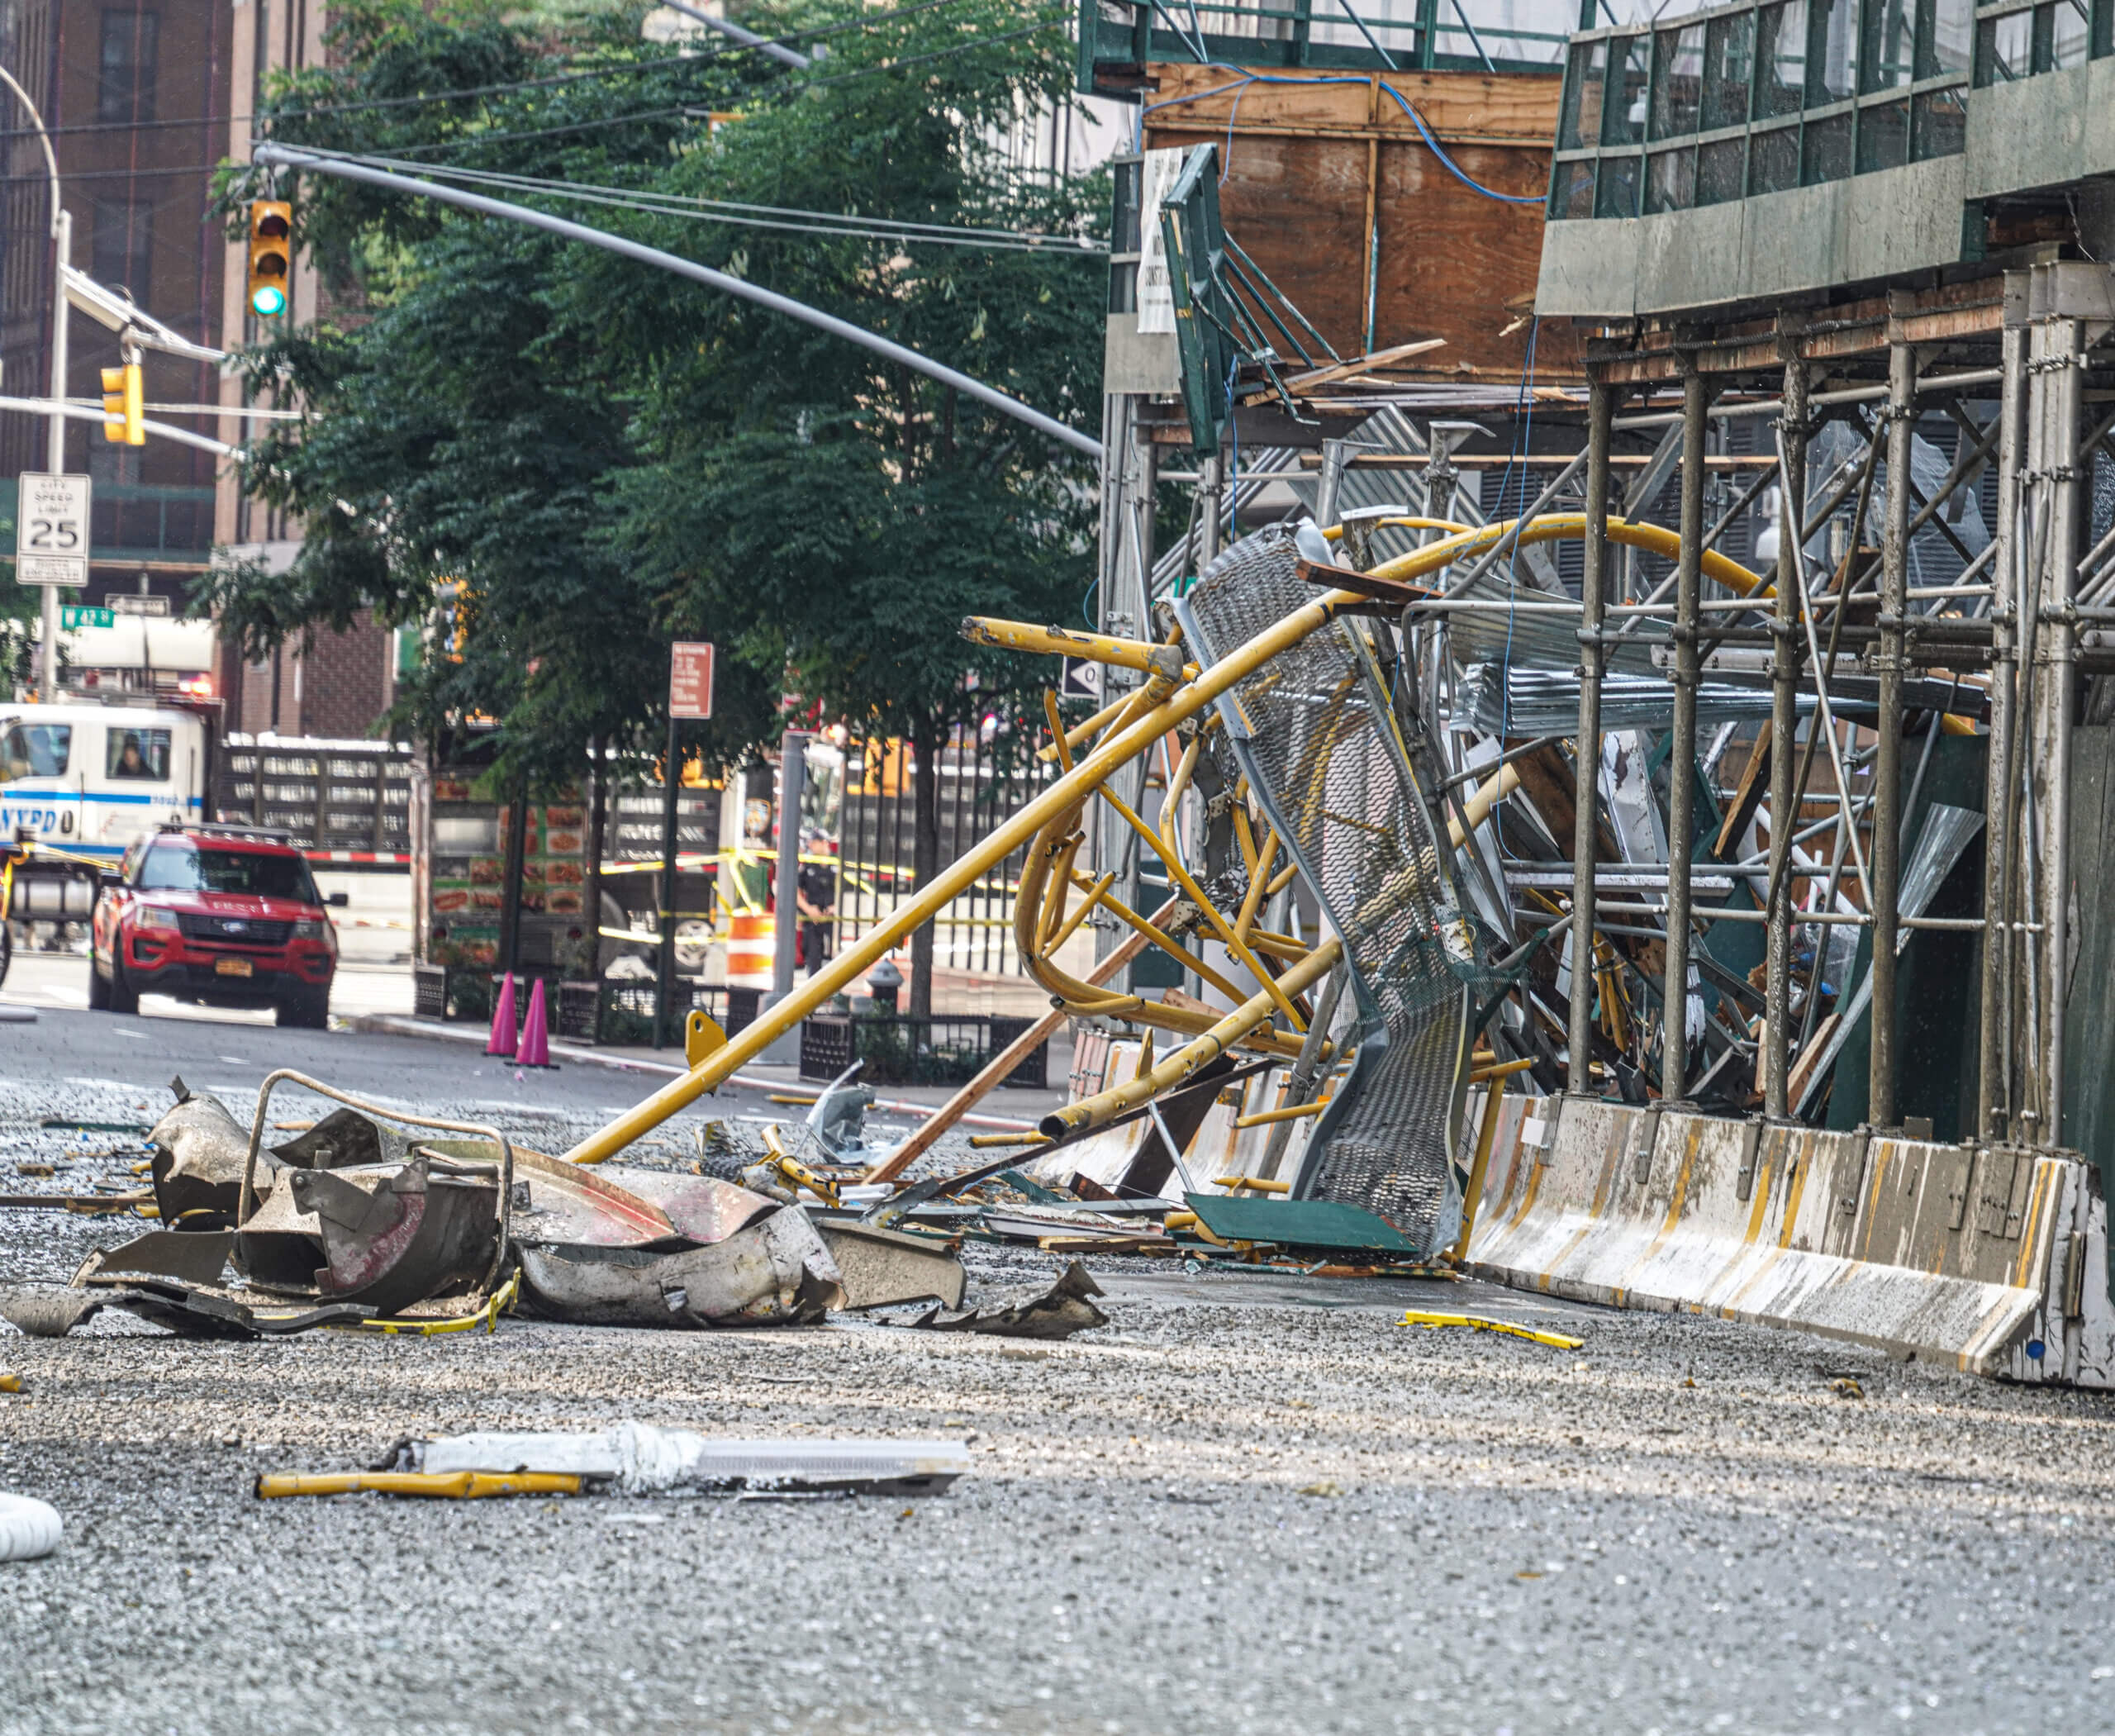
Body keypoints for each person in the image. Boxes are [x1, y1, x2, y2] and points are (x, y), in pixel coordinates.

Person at [795, 828, 837, 977]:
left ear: (825, 843)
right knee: (813, 957)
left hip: (835, 919)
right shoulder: (808, 865)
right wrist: (808, 910)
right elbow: (796, 891)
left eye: (813, 842)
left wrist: (836, 907)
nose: (810, 846)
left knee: (839, 958)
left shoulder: (837, 863)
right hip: (813, 919)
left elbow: (848, 890)